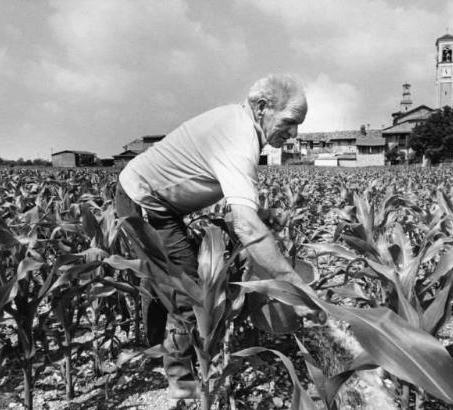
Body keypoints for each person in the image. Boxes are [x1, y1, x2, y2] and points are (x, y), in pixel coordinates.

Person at [115, 74, 310, 398]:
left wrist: (261, 219)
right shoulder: (239, 137)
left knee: (164, 278)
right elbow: (246, 227)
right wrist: (294, 286)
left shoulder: (239, 124)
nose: (294, 132)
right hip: (144, 200)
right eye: (290, 121)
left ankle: (156, 351)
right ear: (262, 107)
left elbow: (240, 215)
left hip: (159, 202)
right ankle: (184, 384)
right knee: (190, 292)